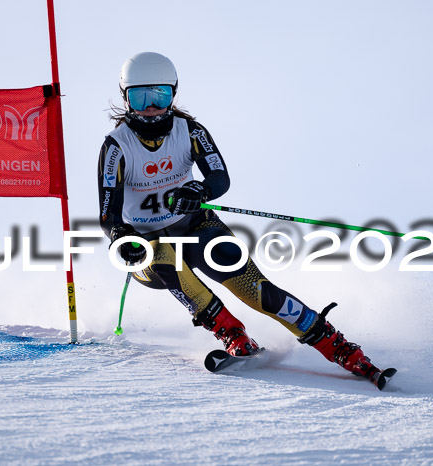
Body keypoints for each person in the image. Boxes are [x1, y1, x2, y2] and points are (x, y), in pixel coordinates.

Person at [98, 51, 388, 386]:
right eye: (141, 96)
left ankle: (339, 347)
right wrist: (121, 237)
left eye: (160, 95)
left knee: (254, 288)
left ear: (173, 94)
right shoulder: (117, 147)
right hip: (146, 243)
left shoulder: (190, 131)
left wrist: (200, 191)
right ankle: (232, 334)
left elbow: (220, 179)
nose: (151, 106)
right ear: (126, 97)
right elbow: (108, 215)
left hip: (194, 227)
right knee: (164, 259)